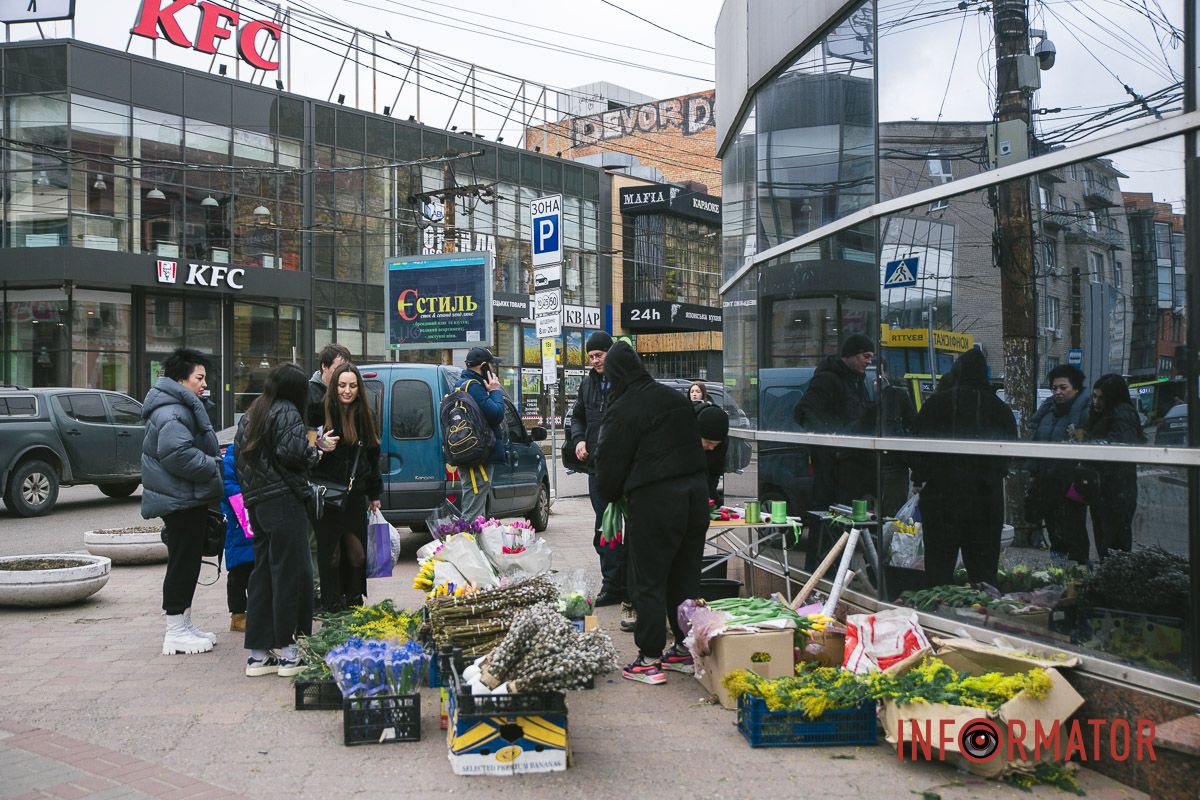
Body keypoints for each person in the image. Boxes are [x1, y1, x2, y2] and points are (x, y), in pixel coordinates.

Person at [595, 341, 709, 685]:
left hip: (656, 501)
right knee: (685, 575)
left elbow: (609, 463)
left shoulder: (623, 407)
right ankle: (685, 650)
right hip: (695, 496)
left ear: (615, 374)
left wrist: (612, 495)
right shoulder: (675, 398)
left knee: (647, 578)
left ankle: (648, 659)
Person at [235, 363, 330, 677]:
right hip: (284, 502)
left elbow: (239, 460)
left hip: (257, 504)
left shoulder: (252, 412)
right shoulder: (287, 410)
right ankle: (290, 653)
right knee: (294, 574)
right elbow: (292, 454)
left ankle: (258, 655)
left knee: (262, 574)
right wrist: (316, 452)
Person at [141, 348, 224, 656]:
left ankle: (184, 623)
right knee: (182, 563)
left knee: (187, 561)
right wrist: (213, 465)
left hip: (184, 496)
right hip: (179, 498)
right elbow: (177, 455)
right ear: (181, 379)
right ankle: (175, 630)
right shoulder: (172, 411)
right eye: (199, 378)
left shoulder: (180, 406)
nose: (204, 383)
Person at [910, 349, 1017, 587]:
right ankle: (981, 616)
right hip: (985, 499)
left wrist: (921, 476)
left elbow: (917, 448)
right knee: (983, 569)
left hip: (941, 497)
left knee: (939, 564)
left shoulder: (936, 404)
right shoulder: (999, 408)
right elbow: (1008, 454)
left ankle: (937, 613)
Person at [312, 362, 383, 611]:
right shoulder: (320, 412)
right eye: (342, 385)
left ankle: (354, 598)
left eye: (352, 386)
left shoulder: (366, 414)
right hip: (327, 496)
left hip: (355, 495)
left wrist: (375, 493)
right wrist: (319, 446)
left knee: (357, 553)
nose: (347, 391)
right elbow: (306, 451)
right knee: (331, 554)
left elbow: (374, 456)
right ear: (334, 386)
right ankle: (332, 602)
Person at [570, 331, 625, 608]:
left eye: (599, 355)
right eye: (590, 357)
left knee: (628, 528)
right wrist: (579, 439)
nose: (594, 361)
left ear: (610, 353)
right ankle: (612, 584)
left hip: (625, 469)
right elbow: (577, 416)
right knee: (604, 527)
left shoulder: (624, 381)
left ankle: (628, 582)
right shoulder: (586, 385)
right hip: (596, 468)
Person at [794, 334, 876, 507]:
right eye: (866, 356)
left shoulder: (857, 381)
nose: (869, 362)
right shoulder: (828, 379)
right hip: (832, 462)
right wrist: (832, 443)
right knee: (828, 508)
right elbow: (803, 411)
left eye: (871, 358)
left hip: (851, 460)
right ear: (852, 355)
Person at [1027, 364, 1091, 564]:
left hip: (1070, 485)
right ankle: (1058, 574)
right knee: (1055, 533)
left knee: (1074, 532)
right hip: (1046, 483)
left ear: (1076, 388)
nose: (1058, 392)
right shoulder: (1047, 412)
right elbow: (1036, 444)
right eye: (1054, 388)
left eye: (1063, 387)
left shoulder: (1084, 414)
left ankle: (1078, 576)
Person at [305, 342, 351, 604]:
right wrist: (319, 444)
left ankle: (334, 590)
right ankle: (316, 592)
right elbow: (308, 435)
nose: (343, 375)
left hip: (338, 478)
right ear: (324, 367)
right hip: (316, 478)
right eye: (337, 368)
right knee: (314, 541)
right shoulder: (312, 394)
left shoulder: (343, 393)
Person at [1079, 373, 1143, 558]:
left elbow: (1120, 447)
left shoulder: (1122, 413)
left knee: (1113, 543)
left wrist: (1091, 444)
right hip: (1105, 489)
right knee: (1105, 540)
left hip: (1116, 489)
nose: (1097, 402)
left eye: (1101, 398)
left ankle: (1115, 581)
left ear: (1112, 398)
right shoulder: (1106, 414)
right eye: (1095, 396)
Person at [455, 347, 507, 522]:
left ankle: (476, 547)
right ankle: (467, 546)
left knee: (476, 508)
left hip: (468, 453)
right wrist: (495, 391)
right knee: (473, 512)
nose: (493, 370)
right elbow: (496, 414)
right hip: (477, 457)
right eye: (491, 366)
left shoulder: (460, 384)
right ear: (484, 366)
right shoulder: (475, 387)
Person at [221, 442, 254, 632]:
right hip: (238, 516)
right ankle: (238, 614)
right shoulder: (233, 454)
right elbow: (227, 484)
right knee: (239, 571)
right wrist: (248, 498)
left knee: (256, 567)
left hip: (253, 511)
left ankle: (255, 610)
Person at [307, 343, 352, 427]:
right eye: (338, 369)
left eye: (346, 369)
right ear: (324, 366)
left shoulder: (350, 392)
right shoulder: (309, 393)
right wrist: (322, 440)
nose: (342, 373)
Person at [697, 404, 730, 505]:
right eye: (709, 442)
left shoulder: (722, 444)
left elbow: (714, 474)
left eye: (716, 444)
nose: (712, 448)